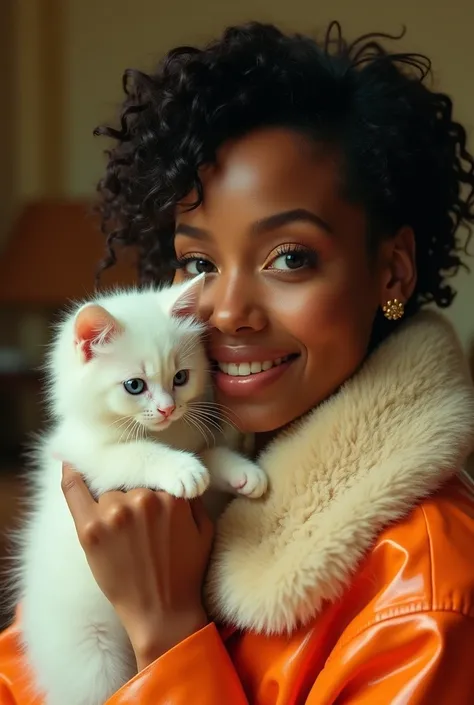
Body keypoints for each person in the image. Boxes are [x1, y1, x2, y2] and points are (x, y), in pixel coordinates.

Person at [1, 20, 474, 704]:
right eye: (198, 262)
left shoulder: (426, 587)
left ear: (392, 271)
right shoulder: (155, 475)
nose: (225, 312)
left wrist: (165, 630)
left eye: (290, 257)